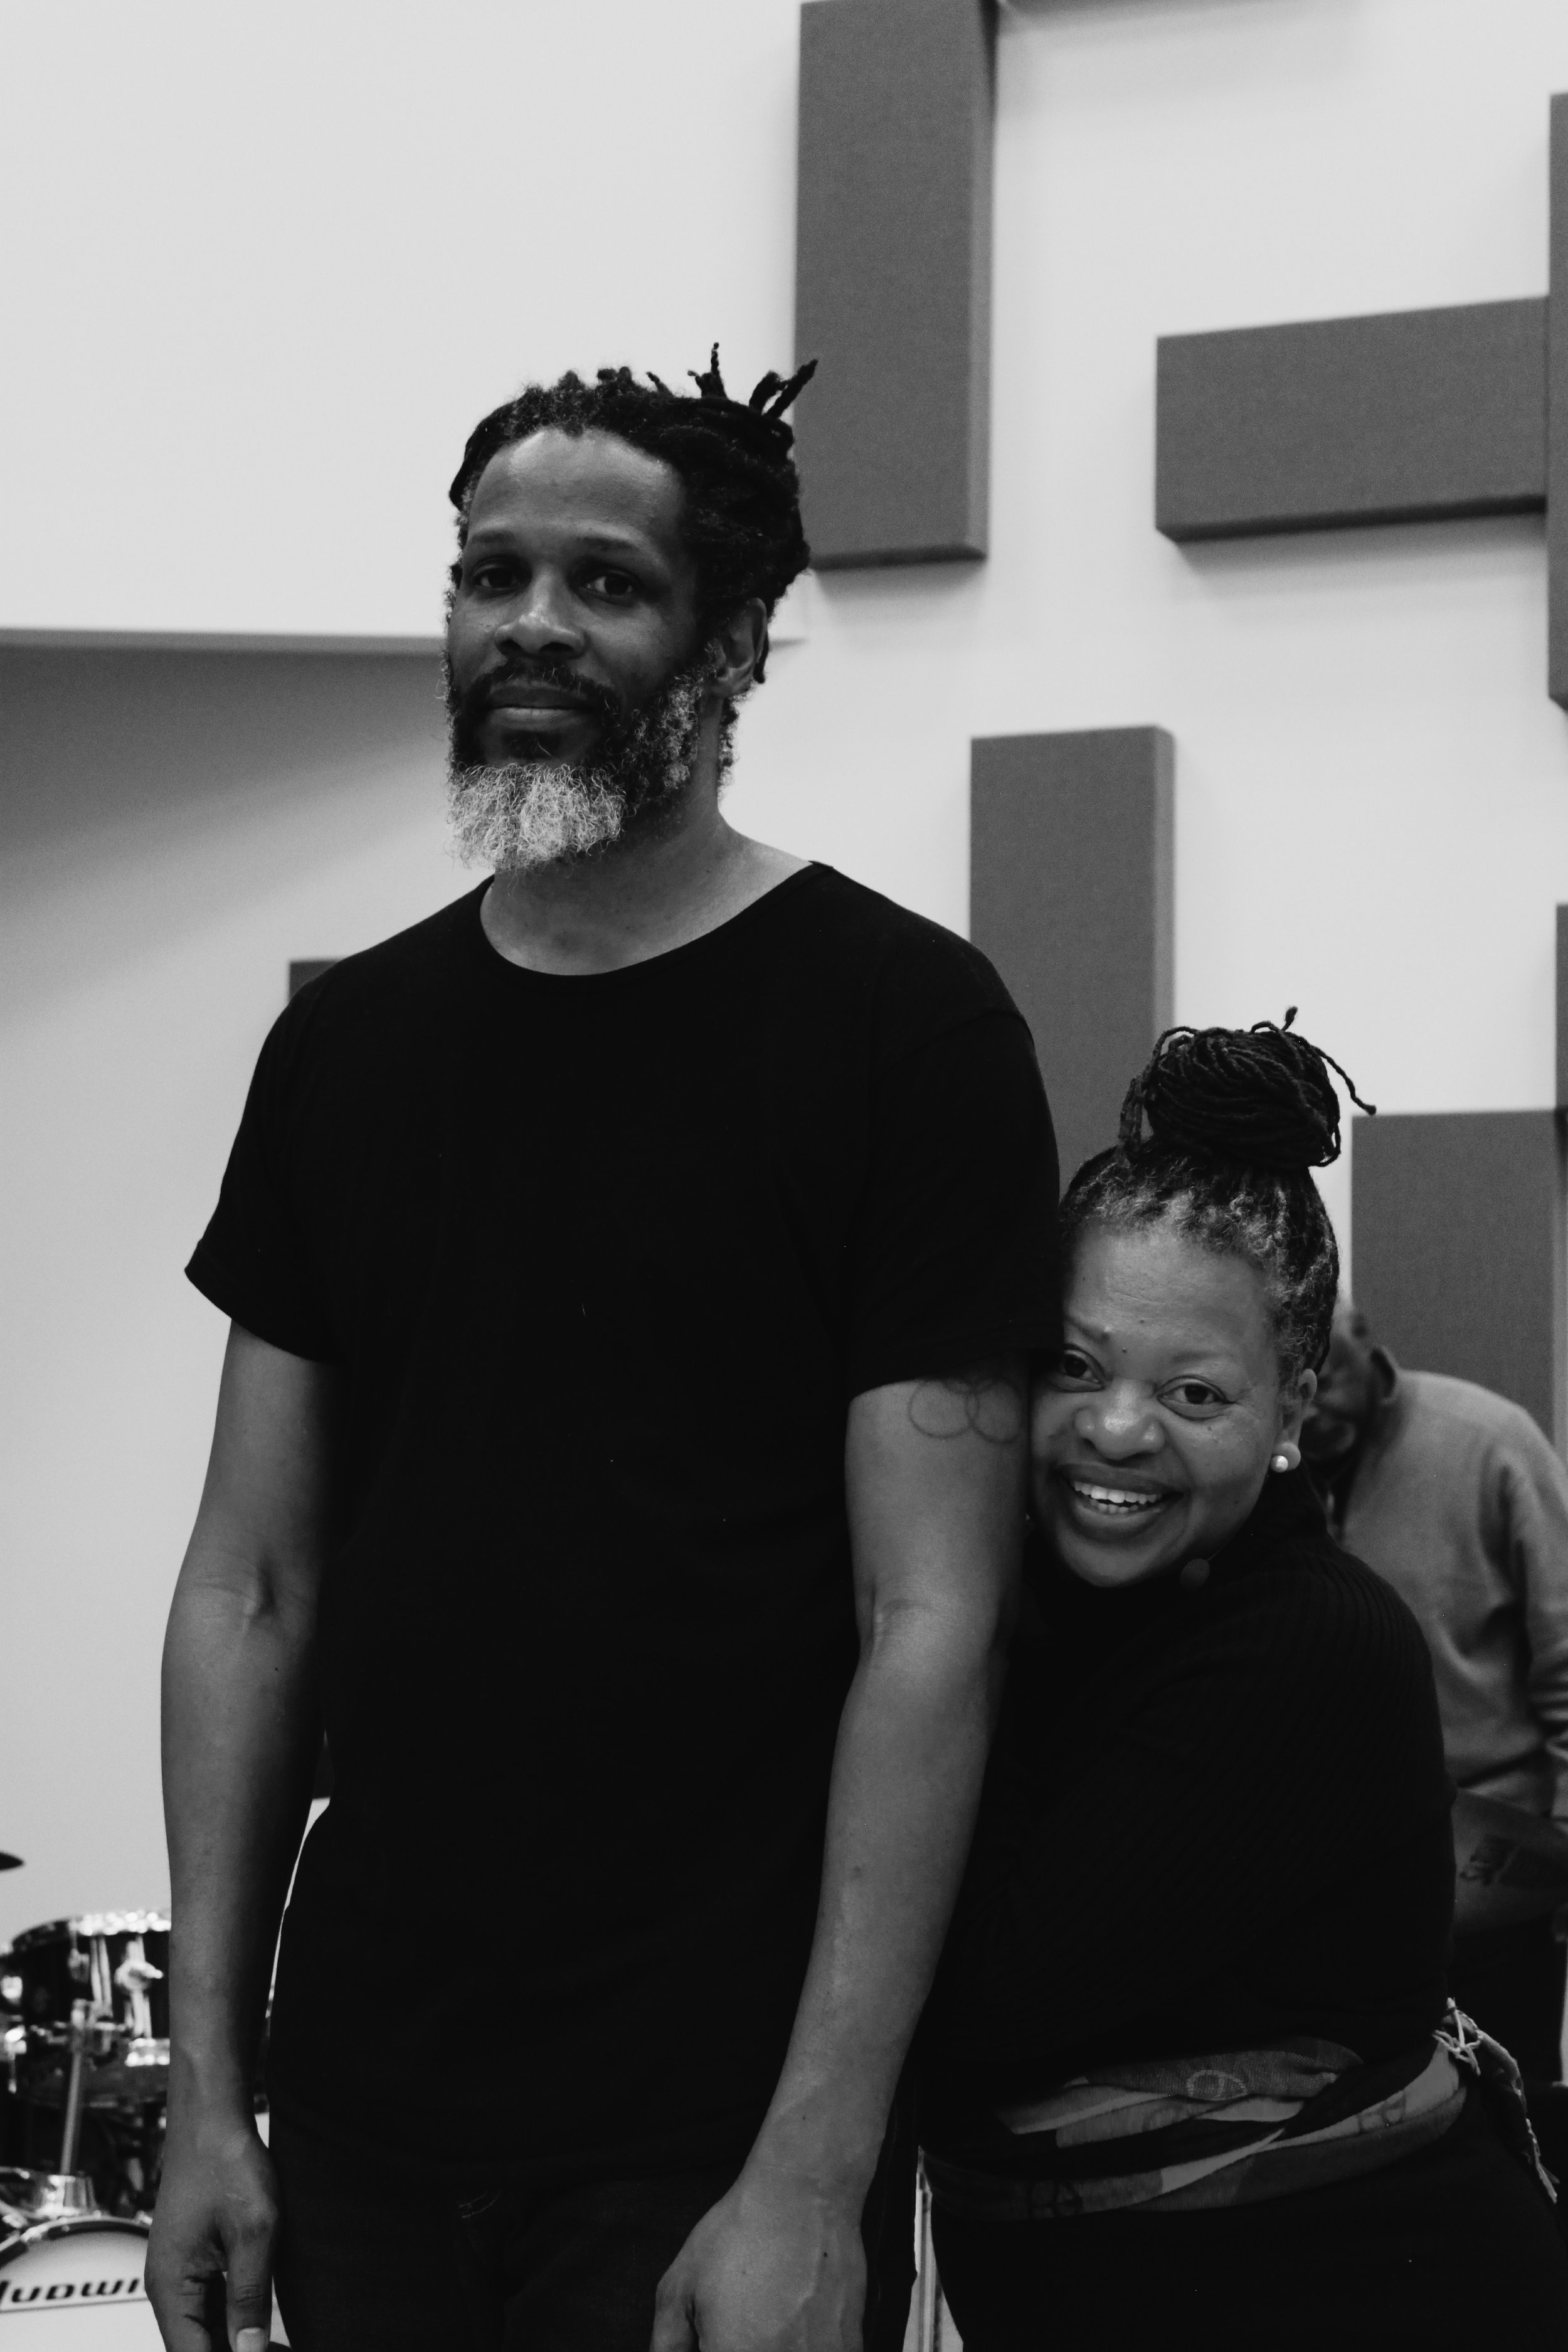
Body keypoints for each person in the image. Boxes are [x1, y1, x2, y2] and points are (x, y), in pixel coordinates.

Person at [146, 356, 1060, 2352]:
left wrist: (814, 2168)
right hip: (367, 2105)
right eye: (490, 575)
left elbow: (932, 1616)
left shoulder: (902, 1030)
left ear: (728, 644)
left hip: (707, 2120)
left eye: (602, 582)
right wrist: (208, 2095)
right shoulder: (348, 1051)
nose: (530, 625)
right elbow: (251, 1582)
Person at [918, 1015, 1568, 2349]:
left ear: (1291, 1402)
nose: (1111, 1427)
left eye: (1194, 1393)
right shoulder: (1059, 1600)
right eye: (1075, 1364)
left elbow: (979, 2002)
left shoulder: (1307, 1648)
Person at [1303, 1300, 1568, 2086]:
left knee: (1507, 2116)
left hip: (1497, 1870)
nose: (1315, 1417)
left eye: (1336, 1388)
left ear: (1371, 1349)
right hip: (1340, 1880)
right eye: (1299, 1392)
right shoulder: (1264, 1462)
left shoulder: (1490, 1442)